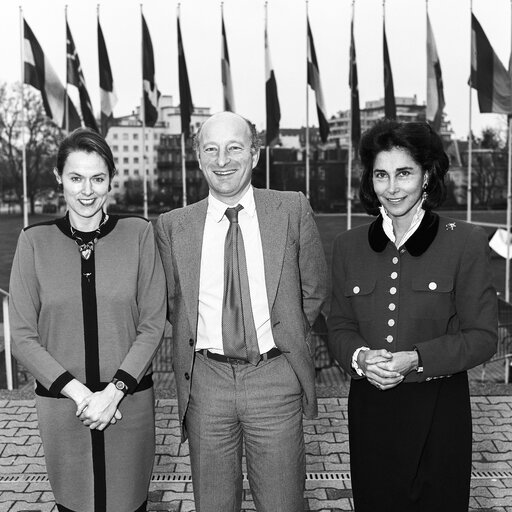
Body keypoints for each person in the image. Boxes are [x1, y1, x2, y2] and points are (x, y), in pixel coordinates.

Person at [155, 111, 328, 512]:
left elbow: (315, 289)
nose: (223, 160)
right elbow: (171, 304)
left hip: (275, 379)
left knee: (283, 504)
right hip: (206, 385)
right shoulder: (173, 226)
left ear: (255, 153)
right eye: (211, 149)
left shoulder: (291, 208)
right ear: (197, 157)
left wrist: (284, 339)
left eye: (234, 147)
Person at [327, 120, 497, 512]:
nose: (392, 187)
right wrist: (359, 358)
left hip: (439, 411)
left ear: (426, 176)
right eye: (381, 175)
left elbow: (483, 336)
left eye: (404, 173)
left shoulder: (465, 241)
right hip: (371, 410)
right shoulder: (348, 246)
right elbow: (338, 325)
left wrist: (416, 359)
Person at [9, 128, 166, 512]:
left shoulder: (138, 234)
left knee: (130, 505)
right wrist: (81, 395)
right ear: (59, 177)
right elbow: (23, 337)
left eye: (97, 178)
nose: (87, 190)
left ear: (111, 179)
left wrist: (113, 393)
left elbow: (153, 323)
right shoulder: (34, 242)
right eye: (76, 177)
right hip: (65, 407)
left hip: (126, 405)